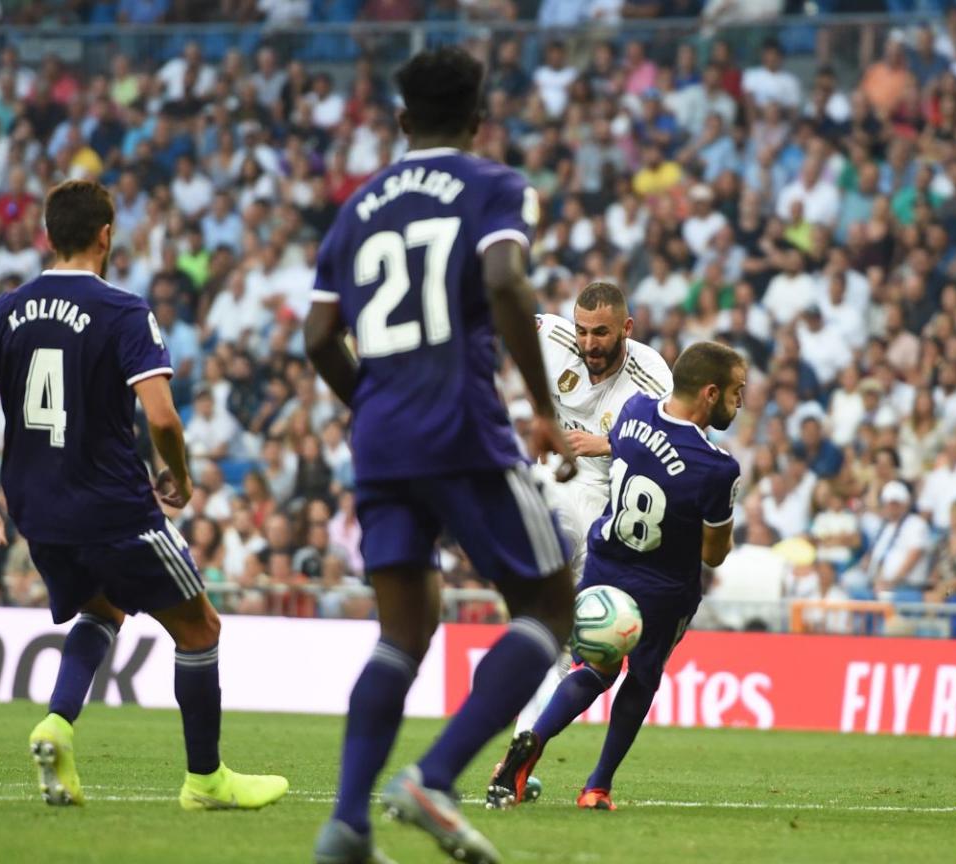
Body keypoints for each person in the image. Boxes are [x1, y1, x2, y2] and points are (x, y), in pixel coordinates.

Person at [305, 47, 577, 864]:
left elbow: (319, 336)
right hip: (462, 428)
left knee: (403, 631)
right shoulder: (493, 184)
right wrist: (541, 405)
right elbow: (505, 280)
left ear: (399, 121)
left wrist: (375, 406)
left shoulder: (355, 208)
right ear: (479, 118)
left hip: (382, 442)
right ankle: (435, 775)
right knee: (548, 604)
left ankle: (347, 824)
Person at [0, 179, 287, 813]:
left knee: (102, 610)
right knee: (200, 628)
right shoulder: (124, 310)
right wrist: (179, 476)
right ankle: (206, 781)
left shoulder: (7, 309)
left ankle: (57, 723)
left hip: (37, 511)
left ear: (48, 235)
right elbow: (161, 417)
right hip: (113, 506)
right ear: (107, 235)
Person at [487, 341, 745, 812]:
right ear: (710, 393)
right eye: (735, 391)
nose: (740, 401)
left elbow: (626, 443)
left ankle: (532, 743)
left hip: (607, 563)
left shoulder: (635, 410)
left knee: (594, 669)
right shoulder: (717, 466)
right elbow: (714, 555)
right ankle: (597, 786)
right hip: (664, 587)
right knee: (642, 678)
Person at [514, 282, 673, 734]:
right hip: (555, 478)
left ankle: (523, 743)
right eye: (582, 331)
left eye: (600, 333)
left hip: (608, 493)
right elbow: (499, 321)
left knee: (567, 644)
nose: (588, 344)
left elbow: (670, 444)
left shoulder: (653, 377)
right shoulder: (551, 337)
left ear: (626, 328)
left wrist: (606, 443)